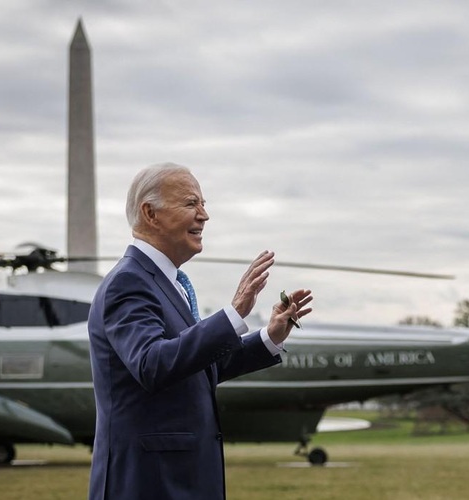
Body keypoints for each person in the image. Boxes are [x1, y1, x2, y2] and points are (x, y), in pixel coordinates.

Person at [87, 162, 312, 500]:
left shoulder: (167, 282)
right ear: (150, 213)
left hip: (178, 479)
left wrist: (270, 337)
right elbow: (152, 364)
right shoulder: (128, 282)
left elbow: (200, 368)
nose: (204, 215)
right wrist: (233, 313)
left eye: (203, 204)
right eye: (191, 203)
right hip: (149, 482)